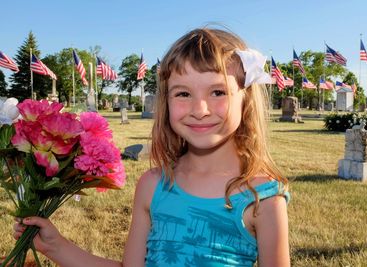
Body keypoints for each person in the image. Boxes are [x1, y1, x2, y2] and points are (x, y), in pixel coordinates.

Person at [13, 27, 290, 267]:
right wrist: (56, 246)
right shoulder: (153, 185)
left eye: (217, 92)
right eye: (183, 93)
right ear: (166, 102)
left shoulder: (262, 198)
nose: (200, 109)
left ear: (246, 100)